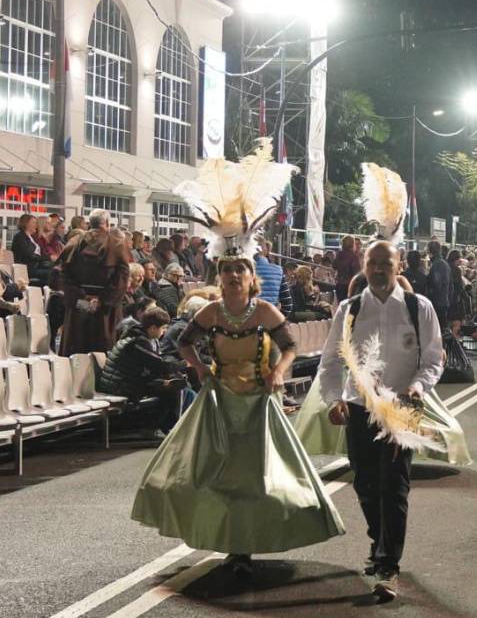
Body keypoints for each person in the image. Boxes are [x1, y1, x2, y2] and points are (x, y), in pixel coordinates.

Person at [132, 228, 343, 581]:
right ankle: (232, 544)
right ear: (220, 275)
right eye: (227, 270)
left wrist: (277, 370)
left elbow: (290, 346)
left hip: (258, 402)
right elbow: (185, 344)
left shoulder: (264, 312)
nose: (232, 276)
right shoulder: (211, 312)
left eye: (239, 270)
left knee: (258, 480)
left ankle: (252, 540)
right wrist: (198, 367)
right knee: (209, 475)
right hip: (219, 400)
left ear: (250, 276)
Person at [315, 240, 444, 603]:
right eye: (373, 263)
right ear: (364, 266)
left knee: (395, 485)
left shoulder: (420, 308)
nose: (379, 270)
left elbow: (434, 357)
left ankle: (388, 564)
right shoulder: (350, 308)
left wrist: (419, 387)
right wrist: (333, 399)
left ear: (399, 266)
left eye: (386, 263)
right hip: (360, 408)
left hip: (403, 406)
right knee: (366, 483)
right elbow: (330, 361)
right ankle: (378, 540)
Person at [98, 306, 187, 434]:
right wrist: (183, 364)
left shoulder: (135, 335)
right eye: (162, 328)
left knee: (169, 384)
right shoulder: (138, 342)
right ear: (152, 328)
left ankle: (161, 427)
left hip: (125, 382)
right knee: (172, 390)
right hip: (120, 386)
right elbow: (159, 364)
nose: (164, 331)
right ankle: (161, 427)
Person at [58, 209, 129, 356]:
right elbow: (121, 278)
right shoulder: (116, 244)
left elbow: (62, 273)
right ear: (108, 224)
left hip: (79, 305)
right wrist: (101, 301)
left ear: (90, 223)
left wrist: (81, 299)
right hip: (104, 309)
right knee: (103, 350)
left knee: (77, 349)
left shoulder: (74, 242)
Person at [11, 213, 52, 284]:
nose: (36, 225)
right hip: (27, 269)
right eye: (33, 222)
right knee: (52, 274)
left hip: (35, 266)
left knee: (56, 271)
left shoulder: (30, 238)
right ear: (26, 224)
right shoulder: (20, 237)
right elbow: (29, 255)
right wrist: (49, 258)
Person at [426, 240, 453, 328]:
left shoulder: (437, 264)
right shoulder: (442, 263)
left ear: (429, 251)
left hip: (438, 303)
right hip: (443, 301)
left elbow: (437, 285)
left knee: (438, 329)